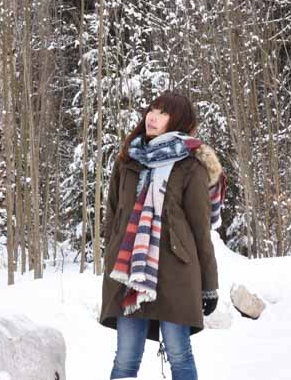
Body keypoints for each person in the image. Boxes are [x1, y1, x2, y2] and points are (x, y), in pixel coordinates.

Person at [99, 90, 226, 380]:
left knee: (179, 354)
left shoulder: (190, 167)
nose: (152, 117)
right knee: (125, 358)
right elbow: (113, 214)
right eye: (152, 110)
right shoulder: (127, 160)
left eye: (163, 113)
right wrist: (112, 253)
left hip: (176, 274)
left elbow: (200, 231)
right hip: (129, 272)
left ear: (177, 120)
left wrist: (210, 285)